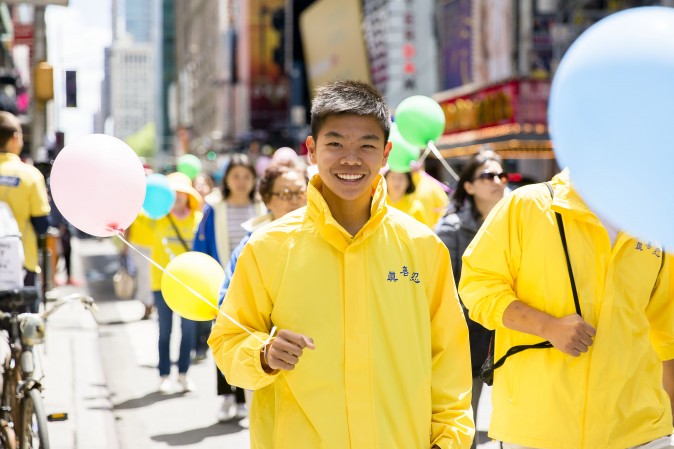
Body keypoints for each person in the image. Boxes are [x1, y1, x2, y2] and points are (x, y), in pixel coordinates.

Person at [209, 80, 474, 449]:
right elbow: (227, 343)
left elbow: (449, 359)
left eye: (366, 145)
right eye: (335, 144)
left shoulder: (422, 246)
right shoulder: (267, 247)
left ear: (386, 154)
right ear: (312, 151)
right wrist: (264, 355)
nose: (351, 158)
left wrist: (448, 442)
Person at [459, 168, 674, 449]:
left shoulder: (655, 224)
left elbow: (666, 336)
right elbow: (478, 286)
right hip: (539, 432)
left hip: (642, 433)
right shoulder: (527, 205)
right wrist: (546, 325)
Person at [215, 158, 308, 423]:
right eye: (285, 193)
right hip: (273, 376)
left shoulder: (326, 238)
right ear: (268, 199)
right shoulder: (252, 247)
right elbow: (228, 309)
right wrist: (265, 352)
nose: (294, 200)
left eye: (300, 192)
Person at [435, 150, 507, 449]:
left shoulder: (517, 223)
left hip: (513, 335)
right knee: (465, 423)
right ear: (469, 186)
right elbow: (443, 291)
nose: (498, 181)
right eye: (488, 176)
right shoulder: (450, 229)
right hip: (468, 341)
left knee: (513, 427)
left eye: (502, 175)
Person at [192, 154, 266, 416]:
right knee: (225, 341)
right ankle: (226, 396)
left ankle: (244, 399)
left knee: (251, 341)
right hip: (222, 285)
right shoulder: (214, 208)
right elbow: (201, 247)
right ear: (227, 179)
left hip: (254, 286)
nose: (242, 181)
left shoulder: (262, 207)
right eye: (236, 176)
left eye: (247, 176)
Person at [152, 172, 203, 394]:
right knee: (164, 332)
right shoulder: (156, 218)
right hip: (161, 283)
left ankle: (183, 374)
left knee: (188, 331)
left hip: (190, 285)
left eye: (182, 192)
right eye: (174, 192)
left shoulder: (199, 220)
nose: (178, 196)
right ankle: (164, 375)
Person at [0, 111, 50, 303]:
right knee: (26, 326)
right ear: (15, 138)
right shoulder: (29, 175)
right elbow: (42, 225)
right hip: (21, 263)